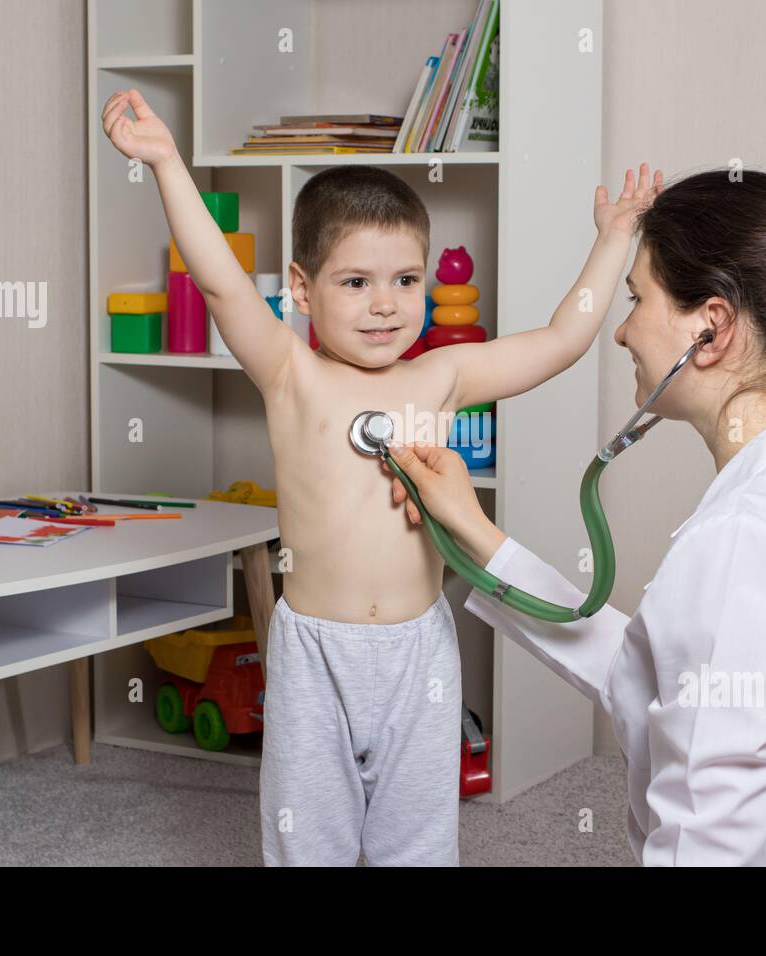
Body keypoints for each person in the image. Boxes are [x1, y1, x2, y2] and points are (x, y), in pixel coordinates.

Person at [101, 87, 663, 865]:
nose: (385, 305)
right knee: (308, 836)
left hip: (418, 649)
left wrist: (614, 239)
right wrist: (166, 163)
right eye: (355, 282)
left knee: (418, 837)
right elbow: (222, 281)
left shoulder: (441, 376)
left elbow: (562, 340)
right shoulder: (291, 374)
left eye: (406, 280)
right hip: (313, 651)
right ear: (302, 290)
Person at [384, 169, 766, 866]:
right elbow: (651, 673)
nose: (622, 332)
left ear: (711, 328)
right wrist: (475, 533)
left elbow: (707, 840)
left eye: (638, 298)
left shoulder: (746, 538)